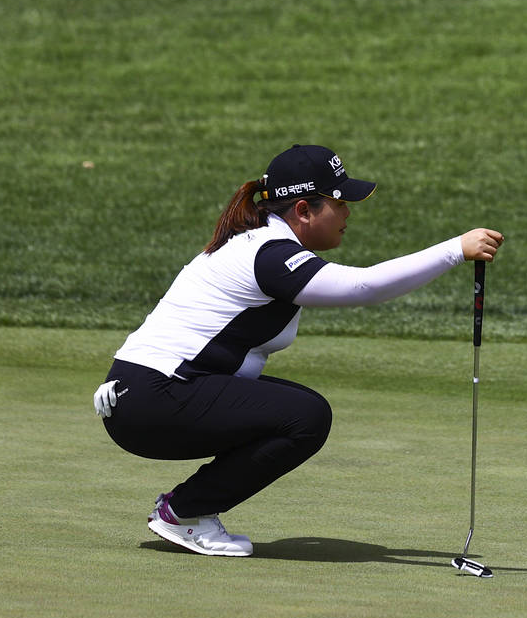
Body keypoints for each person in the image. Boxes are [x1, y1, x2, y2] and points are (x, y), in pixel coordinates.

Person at [92, 144, 503, 557]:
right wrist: (455, 249)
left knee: (301, 405)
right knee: (305, 416)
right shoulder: (270, 255)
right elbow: (365, 286)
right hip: (152, 399)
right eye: (339, 203)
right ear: (304, 209)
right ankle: (184, 513)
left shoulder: (261, 243)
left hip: (148, 393)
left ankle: (185, 509)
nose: (347, 214)